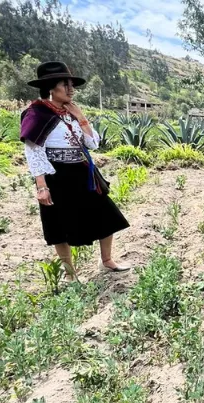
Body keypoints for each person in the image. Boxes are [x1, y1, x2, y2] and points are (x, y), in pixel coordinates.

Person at [20, 61, 130, 280]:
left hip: (82, 172)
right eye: (65, 84)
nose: (71, 89)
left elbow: (93, 144)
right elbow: (33, 151)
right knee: (59, 224)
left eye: (72, 84)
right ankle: (70, 274)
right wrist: (41, 186)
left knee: (105, 214)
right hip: (57, 175)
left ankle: (107, 261)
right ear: (51, 87)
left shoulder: (70, 112)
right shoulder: (37, 113)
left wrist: (80, 117)